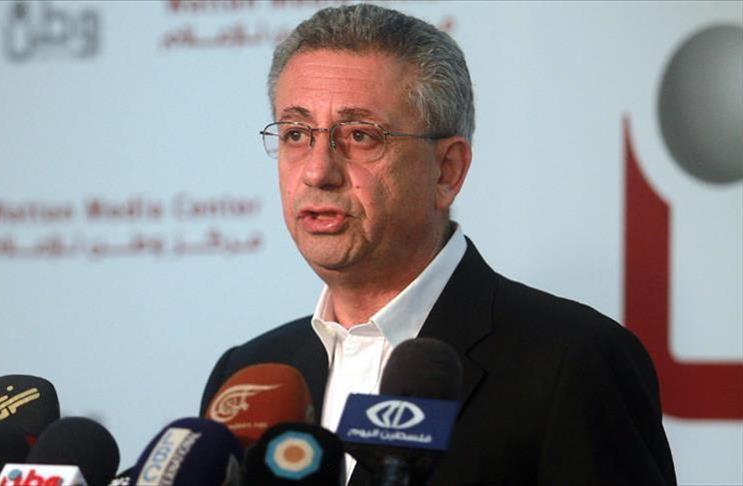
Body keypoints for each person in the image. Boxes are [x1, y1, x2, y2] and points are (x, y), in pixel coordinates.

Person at [200, 4, 676, 485]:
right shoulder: (248, 375)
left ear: (447, 170)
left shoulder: (573, 361)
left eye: (360, 135)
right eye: (296, 134)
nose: (317, 171)